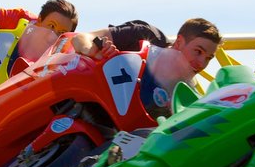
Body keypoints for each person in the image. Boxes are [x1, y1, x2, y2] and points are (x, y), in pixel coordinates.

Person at [68, 18, 222, 116]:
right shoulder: (147, 35)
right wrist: (95, 52)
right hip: (88, 112)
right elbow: (81, 38)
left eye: (208, 58)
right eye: (198, 52)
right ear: (180, 42)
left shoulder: (187, 97)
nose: (201, 63)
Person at [0, 0, 79, 73]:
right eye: (51, 26)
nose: (54, 35)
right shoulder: (20, 18)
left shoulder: (62, 52)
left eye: (62, 33)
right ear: (40, 19)